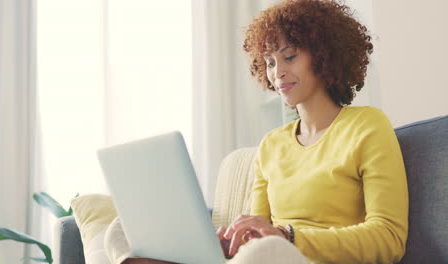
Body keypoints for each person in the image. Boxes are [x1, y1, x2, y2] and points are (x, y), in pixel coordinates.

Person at [110, 0, 409, 263]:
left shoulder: (367, 126)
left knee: (266, 252)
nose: (277, 72)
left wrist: (288, 237)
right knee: (118, 229)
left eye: (289, 57)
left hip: (293, 257)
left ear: (323, 55)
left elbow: (389, 238)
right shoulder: (272, 145)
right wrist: (232, 241)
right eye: (269, 62)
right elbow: (256, 232)